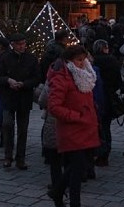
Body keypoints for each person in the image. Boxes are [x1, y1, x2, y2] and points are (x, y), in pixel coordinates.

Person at [47, 45, 100, 207]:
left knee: (78, 167)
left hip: (86, 128)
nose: (82, 63)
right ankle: (72, 201)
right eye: (78, 60)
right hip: (72, 129)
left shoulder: (86, 75)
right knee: (76, 170)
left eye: (84, 59)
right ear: (69, 61)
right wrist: (76, 116)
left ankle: (57, 192)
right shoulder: (62, 78)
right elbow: (54, 106)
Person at [0, 32, 40, 169]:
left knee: (22, 129)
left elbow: (37, 78)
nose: (22, 46)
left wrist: (24, 84)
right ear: (13, 45)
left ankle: (21, 158)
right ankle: (8, 156)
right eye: (19, 44)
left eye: (23, 44)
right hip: (9, 96)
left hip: (24, 97)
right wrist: (8, 80)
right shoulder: (5, 58)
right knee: (7, 125)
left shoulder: (31, 58)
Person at [91, 39, 121, 167]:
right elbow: (118, 81)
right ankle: (106, 149)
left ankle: (96, 150)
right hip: (108, 97)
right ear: (104, 48)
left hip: (95, 97)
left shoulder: (92, 61)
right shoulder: (112, 61)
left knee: (96, 125)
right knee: (106, 125)